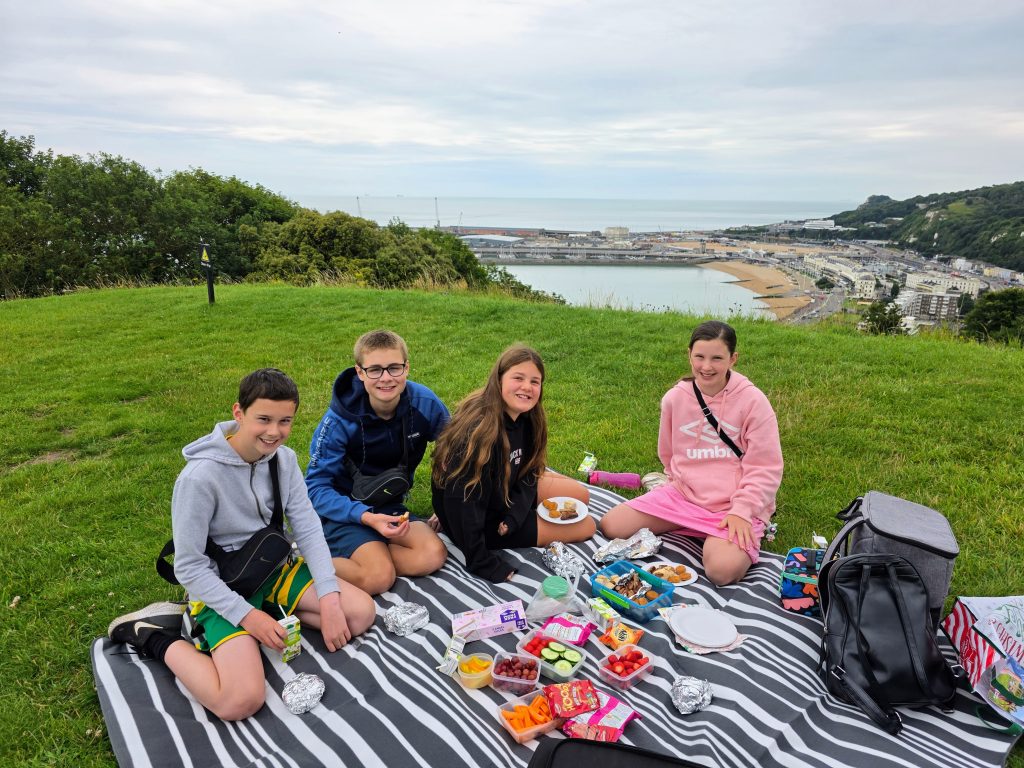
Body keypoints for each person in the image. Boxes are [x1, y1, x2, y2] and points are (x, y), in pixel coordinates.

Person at [107, 369, 375, 721]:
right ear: (238, 413)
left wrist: (328, 596)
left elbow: (307, 526)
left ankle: (272, 616)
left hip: (273, 569)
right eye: (263, 419)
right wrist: (247, 617)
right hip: (223, 586)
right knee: (239, 701)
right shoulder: (198, 479)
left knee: (359, 613)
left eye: (285, 421)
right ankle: (155, 634)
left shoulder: (285, 460)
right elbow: (188, 566)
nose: (274, 432)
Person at [599, 321, 783, 586]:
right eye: (699, 357)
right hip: (684, 495)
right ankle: (688, 524)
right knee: (611, 525)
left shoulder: (754, 402)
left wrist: (744, 510)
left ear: (733, 358)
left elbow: (766, 467)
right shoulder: (675, 398)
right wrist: (678, 485)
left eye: (717, 358)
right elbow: (668, 453)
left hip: (734, 504)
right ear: (689, 355)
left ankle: (730, 531)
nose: (706, 367)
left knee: (722, 571)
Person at [431, 344, 596, 582]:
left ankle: (519, 512)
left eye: (535, 381)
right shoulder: (479, 432)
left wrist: (516, 516)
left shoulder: (529, 418)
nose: (527, 387)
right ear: (498, 380)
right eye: (518, 378)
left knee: (581, 495)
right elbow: (464, 501)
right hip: (482, 519)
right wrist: (482, 561)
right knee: (587, 526)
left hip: (505, 496)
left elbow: (530, 472)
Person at [306, 330, 449, 595]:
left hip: (388, 504)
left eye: (394, 368)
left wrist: (449, 502)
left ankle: (370, 555)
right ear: (359, 373)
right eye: (374, 370)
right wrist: (364, 517)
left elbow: (456, 452)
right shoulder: (337, 422)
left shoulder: (425, 403)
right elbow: (315, 488)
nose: (385, 378)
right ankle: (299, 567)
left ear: (407, 368)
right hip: (343, 512)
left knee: (433, 554)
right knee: (378, 578)